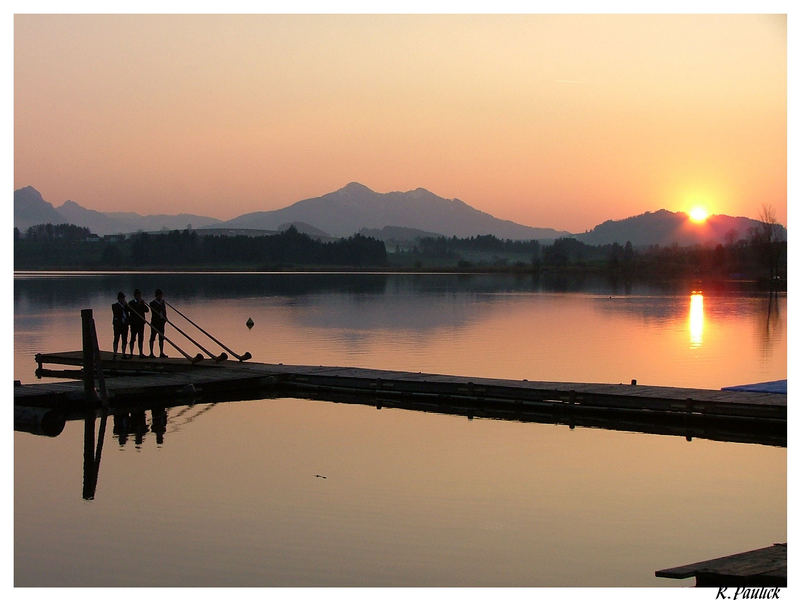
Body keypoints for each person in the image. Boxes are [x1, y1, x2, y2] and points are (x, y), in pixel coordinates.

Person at [127, 289, 149, 358]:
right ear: (135, 296)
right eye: (138, 295)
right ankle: (131, 353)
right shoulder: (131, 303)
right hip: (134, 323)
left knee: (141, 338)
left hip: (141, 323)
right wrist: (138, 304)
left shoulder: (142, 303)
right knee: (133, 338)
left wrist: (142, 303)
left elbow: (147, 310)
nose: (139, 296)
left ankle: (141, 353)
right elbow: (128, 309)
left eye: (140, 295)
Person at [149, 289, 168, 358]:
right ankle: (151, 353)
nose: (161, 297)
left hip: (161, 323)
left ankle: (161, 353)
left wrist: (165, 318)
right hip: (154, 322)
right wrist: (160, 305)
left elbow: (164, 311)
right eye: (159, 295)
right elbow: (155, 311)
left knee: (161, 338)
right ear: (156, 296)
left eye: (161, 295)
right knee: (152, 337)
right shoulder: (152, 303)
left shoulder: (162, 302)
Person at [112, 291, 130, 359]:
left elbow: (129, 310)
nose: (123, 299)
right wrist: (123, 306)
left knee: (124, 339)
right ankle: (115, 353)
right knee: (116, 338)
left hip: (125, 325)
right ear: (119, 299)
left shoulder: (126, 306)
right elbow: (117, 312)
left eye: (124, 298)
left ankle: (123, 353)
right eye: (122, 298)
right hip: (118, 325)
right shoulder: (115, 305)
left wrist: (126, 305)